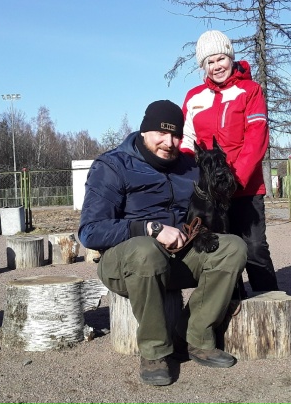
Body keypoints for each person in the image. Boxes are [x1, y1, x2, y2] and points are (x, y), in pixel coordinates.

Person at [78, 100, 247, 386]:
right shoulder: (113, 165)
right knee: (146, 251)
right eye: (161, 133)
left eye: (176, 135)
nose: (169, 143)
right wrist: (150, 228)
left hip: (176, 257)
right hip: (126, 262)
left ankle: (192, 337)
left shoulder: (188, 167)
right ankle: (155, 352)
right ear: (144, 131)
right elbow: (90, 231)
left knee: (232, 247)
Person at [180, 30, 280, 295]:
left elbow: (256, 137)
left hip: (244, 188)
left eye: (221, 58)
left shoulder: (250, 90)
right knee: (221, 249)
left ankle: (270, 301)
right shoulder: (193, 97)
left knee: (254, 248)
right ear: (203, 66)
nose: (216, 66)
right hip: (209, 193)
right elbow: (186, 141)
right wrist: (194, 179)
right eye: (209, 62)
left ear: (231, 58)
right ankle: (231, 303)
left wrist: (236, 179)